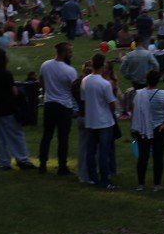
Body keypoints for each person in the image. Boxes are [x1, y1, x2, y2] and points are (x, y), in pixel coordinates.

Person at [0, 49, 35, 172]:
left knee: (0, 137)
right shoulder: (6, 74)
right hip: (7, 108)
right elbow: (13, 92)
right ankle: (22, 159)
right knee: (16, 134)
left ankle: (3, 162)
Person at [37, 43, 78, 175]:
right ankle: (62, 167)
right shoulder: (70, 71)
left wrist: (47, 91)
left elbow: (41, 80)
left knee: (46, 136)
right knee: (63, 137)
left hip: (49, 104)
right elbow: (75, 89)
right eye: (70, 52)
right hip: (64, 106)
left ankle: (42, 164)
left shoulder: (45, 65)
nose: (71, 54)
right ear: (65, 53)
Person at [130, 69, 164, 191]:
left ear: (146, 80)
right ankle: (157, 184)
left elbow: (134, 112)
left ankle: (140, 184)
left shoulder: (138, 94)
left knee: (143, 157)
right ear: (158, 80)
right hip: (159, 129)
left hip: (143, 129)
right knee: (158, 157)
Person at [80, 52, 119, 188]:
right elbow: (111, 103)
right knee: (104, 152)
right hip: (104, 121)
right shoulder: (105, 84)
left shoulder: (85, 81)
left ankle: (93, 178)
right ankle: (104, 179)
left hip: (90, 120)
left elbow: (84, 99)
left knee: (90, 152)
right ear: (102, 65)